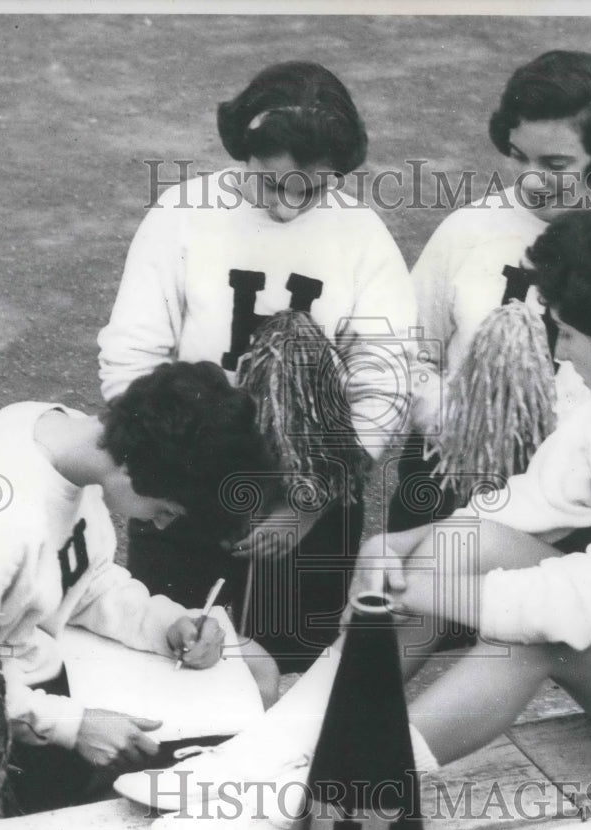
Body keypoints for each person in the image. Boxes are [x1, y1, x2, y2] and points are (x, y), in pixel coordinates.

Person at [118, 209, 591, 830]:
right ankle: (261, 756)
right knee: (469, 545)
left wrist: (429, 584)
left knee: (542, 635)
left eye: (570, 334)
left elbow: (587, 605)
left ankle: (337, 789)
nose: (557, 353)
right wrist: (404, 545)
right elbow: (516, 510)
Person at [97, 60, 416, 673]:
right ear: (245, 149)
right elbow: (132, 354)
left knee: (289, 655)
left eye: (313, 189)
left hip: (308, 484)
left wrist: (309, 500)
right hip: (186, 476)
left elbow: (386, 377)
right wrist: (165, 467)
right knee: (170, 650)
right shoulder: (185, 213)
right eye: (272, 184)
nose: (290, 207)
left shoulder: (361, 235)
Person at [0, 361, 280, 815]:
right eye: (167, 508)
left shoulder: (70, 441)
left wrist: (165, 623)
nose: (163, 523)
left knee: (251, 667)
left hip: (29, 673)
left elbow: (82, 578)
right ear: (133, 472)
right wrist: (73, 726)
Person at [388, 50, 591, 534]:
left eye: (555, 163)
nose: (531, 179)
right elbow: (405, 351)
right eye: (518, 157)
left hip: (568, 493)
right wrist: (464, 425)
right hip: (449, 474)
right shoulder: (468, 230)